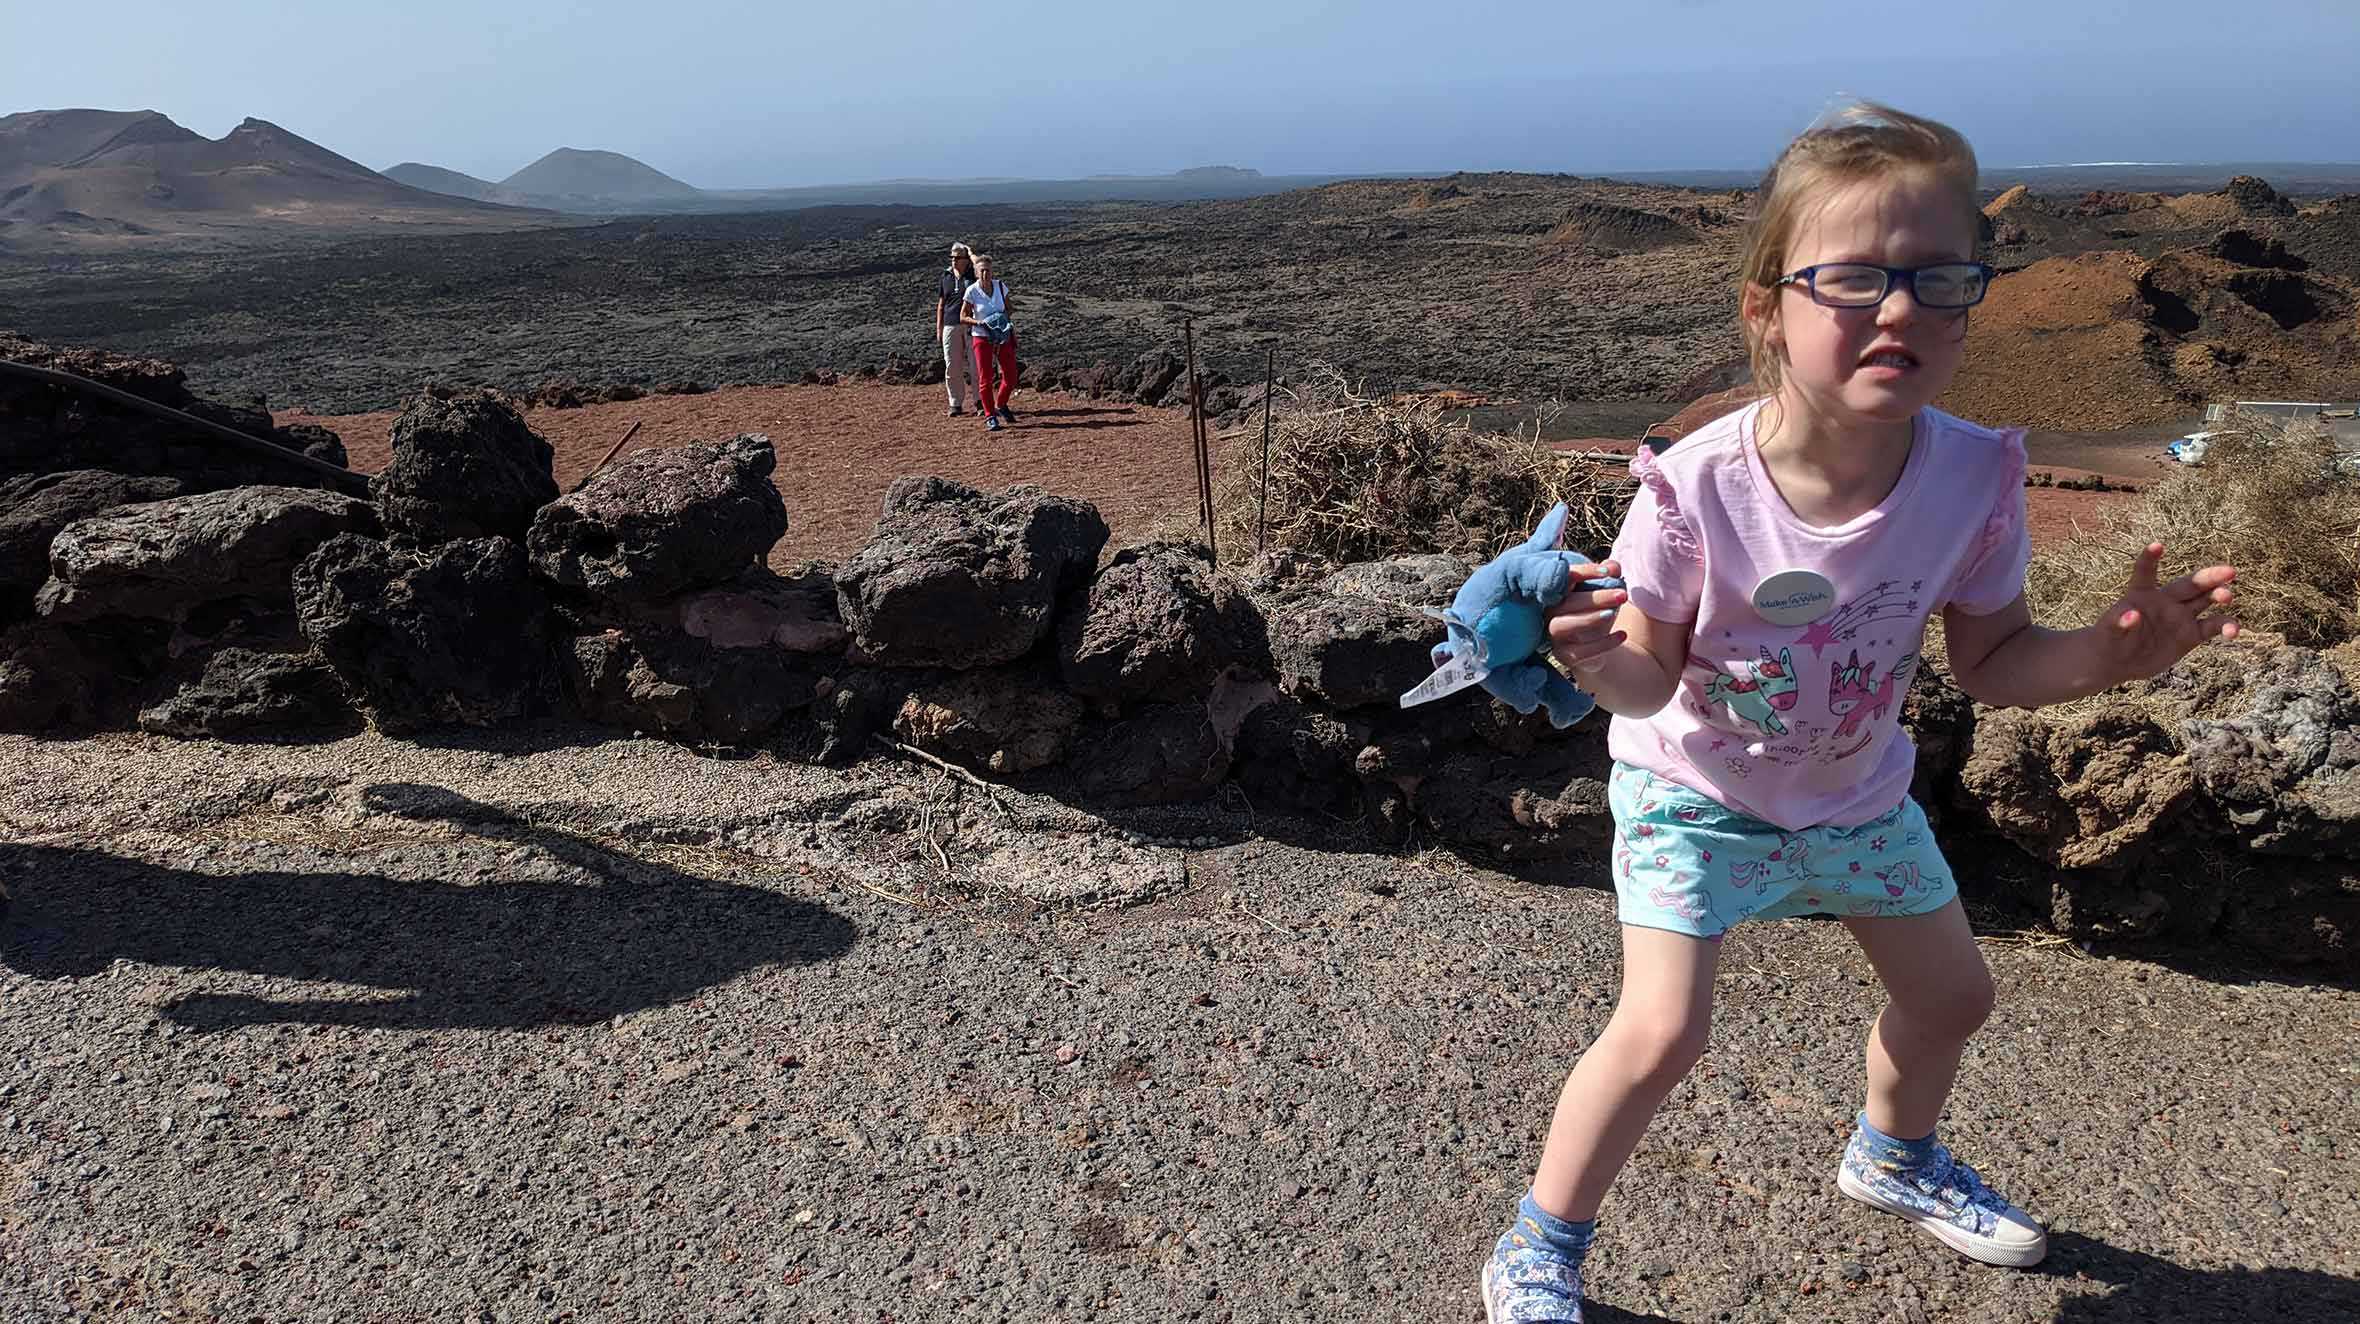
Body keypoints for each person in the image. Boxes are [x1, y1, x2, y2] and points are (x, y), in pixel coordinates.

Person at [1480, 101, 2241, 1322]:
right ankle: (1537, 1246)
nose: (1899, 310)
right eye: (1852, 279)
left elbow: (1990, 659)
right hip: (1697, 793)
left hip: (1851, 793)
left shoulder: (1974, 473)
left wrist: (2105, 655)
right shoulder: (1690, 488)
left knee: (1953, 999)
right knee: (1661, 1030)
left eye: (1939, 279)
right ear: (1763, 306)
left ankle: (1889, 1157)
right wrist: (1583, 656)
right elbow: (1644, 680)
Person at [960, 253, 1018, 430]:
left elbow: (1010, 308)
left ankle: (1001, 404)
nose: (986, 274)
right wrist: (980, 323)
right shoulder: (972, 291)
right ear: (977, 273)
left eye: (988, 271)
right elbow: (963, 316)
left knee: (1011, 375)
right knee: (985, 378)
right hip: (982, 337)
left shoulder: (1000, 286)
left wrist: (1001, 320)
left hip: (1001, 337)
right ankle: (990, 415)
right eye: (982, 271)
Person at [935, 242, 978, 417]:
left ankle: (980, 401)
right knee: (952, 365)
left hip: (970, 325)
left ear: (966, 260)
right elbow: (941, 304)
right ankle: (955, 403)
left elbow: (981, 264)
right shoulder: (945, 276)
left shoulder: (973, 275)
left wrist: (971, 253)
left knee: (976, 365)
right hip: (950, 324)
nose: (954, 261)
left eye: (958, 257)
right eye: (952, 257)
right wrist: (939, 327)